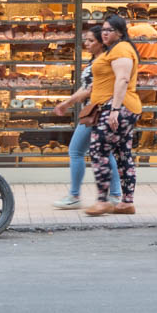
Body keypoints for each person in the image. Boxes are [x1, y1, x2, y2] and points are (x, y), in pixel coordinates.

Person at [51, 29, 121, 209]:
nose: (87, 44)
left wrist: (67, 102)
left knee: (76, 151)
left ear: (100, 42)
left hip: (96, 112)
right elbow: (85, 87)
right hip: (95, 111)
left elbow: (89, 90)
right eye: (86, 40)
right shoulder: (96, 60)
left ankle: (75, 196)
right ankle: (115, 195)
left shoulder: (102, 61)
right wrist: (69, 102)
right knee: (105, 153)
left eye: (91, 40)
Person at [83, 14, 139, 217]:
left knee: (98, 150)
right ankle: (127, 202)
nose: (104, 33)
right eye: (103, 30)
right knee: (123, 154)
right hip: (123, 107)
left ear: (120, 32)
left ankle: (102, 200)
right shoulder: (115, 49)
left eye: (109, 30)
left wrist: (114, 110)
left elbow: (123, 79)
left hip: (118, 108)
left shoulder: (122, 49)